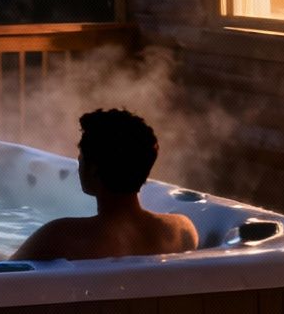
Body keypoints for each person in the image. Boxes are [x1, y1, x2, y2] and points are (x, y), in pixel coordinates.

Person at [11, 108, 198, 261]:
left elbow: (1, 272)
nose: (78, 166)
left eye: (81, 159)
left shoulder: (59, 237)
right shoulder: (182, 230)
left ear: (93, 170)